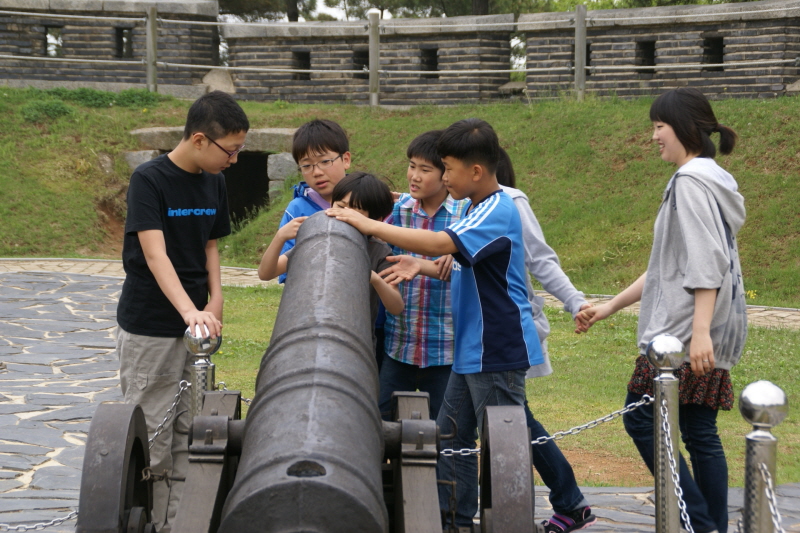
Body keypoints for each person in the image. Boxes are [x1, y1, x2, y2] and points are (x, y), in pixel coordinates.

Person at [328, 118, 545, 532]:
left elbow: (442, 242)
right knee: (451, 440)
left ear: (475, 172)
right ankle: (454, 520)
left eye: (447, 169)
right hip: (472, 349)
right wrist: (420, 264)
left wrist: (368, 224)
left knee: (506, 451)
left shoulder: (496, 211)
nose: (443, 177)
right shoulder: (479, 208)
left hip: (495, 348)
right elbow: (450, 262)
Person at [577, 87, 747, 533]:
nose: (654, 137)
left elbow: (707, 263)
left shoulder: (690, 184)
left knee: (640, 418)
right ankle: (711, 527)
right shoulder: (711, 179)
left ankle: (699, 522)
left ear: (685, 129)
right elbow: (666, 267)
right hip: (702, 327)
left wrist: (701, 333)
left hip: (682, 335)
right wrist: (611, 306)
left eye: (659, 127)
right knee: (699, 431)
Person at [116, 90, 248, 532]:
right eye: (229, 150)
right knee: (153, 435)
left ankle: (183, 524)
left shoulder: (215, 181)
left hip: (197, 325)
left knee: (194, 434)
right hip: (152, 327)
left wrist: (216, 298)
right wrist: (189, 310)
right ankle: (148, 522)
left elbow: (210, 244)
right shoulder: (149, 180)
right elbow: (155, 256)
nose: (233, 160)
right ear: (198, 139)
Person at [495, 147, 596, 533]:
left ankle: (570, 501)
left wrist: (575, 302)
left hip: (505, 334)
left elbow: (542, 260)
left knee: (514, 418)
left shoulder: (511, 203)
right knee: (511, 417)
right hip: (472, 335)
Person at [378, 130, 468, 422]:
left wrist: (458, 253)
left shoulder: (465, 215)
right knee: (379, 426)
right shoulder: (396, 210)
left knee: (447, 432)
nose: (414, 176)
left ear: (447, 174)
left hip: (447, 348)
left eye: (425, 169)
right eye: (411, 166)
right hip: (399, 343)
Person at [259, 171, 404, 345]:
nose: (344, 215)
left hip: (355, 343)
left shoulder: (379, 251)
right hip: (306, 335)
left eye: (355, 212)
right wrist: (280, 237)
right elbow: (266, 273)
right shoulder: (316, 239)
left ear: (375, 220)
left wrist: (375, 279)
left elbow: (396, 307)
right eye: (340, 206)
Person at [276, 119, 351, 283]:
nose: (316, 172)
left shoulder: (366, 198)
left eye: (325, 162)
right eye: (307, 165)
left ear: (346, 159)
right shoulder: (296, 211)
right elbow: (283, 268)